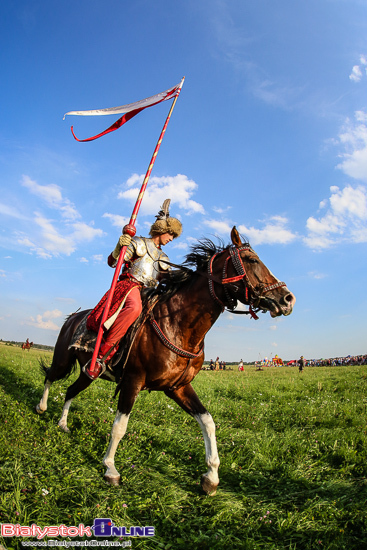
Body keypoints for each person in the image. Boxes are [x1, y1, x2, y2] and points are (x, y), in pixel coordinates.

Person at [84, 199, 182, 380]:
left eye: (173, 237)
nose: (171, 239)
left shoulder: (164, 257)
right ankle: (102, 355)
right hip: (130, 286)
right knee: (135, 308)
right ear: (162, 230)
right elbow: (114, 262)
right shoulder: (139, 243)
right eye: (171, 235)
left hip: (150, 293)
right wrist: (118, 248)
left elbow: (167, 279)